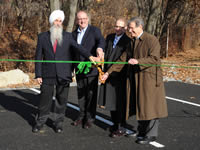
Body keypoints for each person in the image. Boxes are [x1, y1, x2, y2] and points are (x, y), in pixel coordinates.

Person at [101, 17, 168, 144]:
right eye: (129, 28)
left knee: (151, 107)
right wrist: (108, 73)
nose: (129, 30)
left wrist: (138, 61)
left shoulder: (151, 40)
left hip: (150, 80)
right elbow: (122, 60)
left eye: (131, 28)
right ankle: (141, 131)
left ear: (140, 27)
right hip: (136, 79)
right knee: (140, 105)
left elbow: (155, 59)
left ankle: (151, 135)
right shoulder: (131, 41)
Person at [33, 10, 99, 133]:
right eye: (56, 20)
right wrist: (38, 74)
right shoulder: (42, 37)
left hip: (64, 74)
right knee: (44, 100)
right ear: (52, 22)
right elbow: (38, 57)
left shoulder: (68, 36)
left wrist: (90, 57)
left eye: (60, 21)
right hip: (47, 74)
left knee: (61, 101)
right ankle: (40, 122)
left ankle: (58, 123)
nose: (58, 23)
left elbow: (79, 48)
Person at [71, 10, 105, 129]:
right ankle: (81, 116)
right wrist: (71, 70)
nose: (82, 21)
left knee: (91, 94)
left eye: (84, 18)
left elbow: (101, 40)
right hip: (79, 69)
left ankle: (90, 118)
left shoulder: (94, 30)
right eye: (80, 19)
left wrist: (100, 49)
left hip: (91, 69)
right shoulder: (73, 34)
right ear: (76, 21)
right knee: (81, 94)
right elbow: (72, 52)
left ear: (88, 19)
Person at [98, 18, 131, 138]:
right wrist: (101, 67)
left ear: (125, 28)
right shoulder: (110, 37)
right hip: (107, 74)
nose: (117, 29)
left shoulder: (128, 41)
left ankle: (121, 127)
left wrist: (110, 72)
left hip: (119, 76)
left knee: (119, 103)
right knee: (110, 101)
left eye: (120, 27)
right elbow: (106, 54)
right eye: (116, 26)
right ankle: (115, 123)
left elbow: (122, 60)